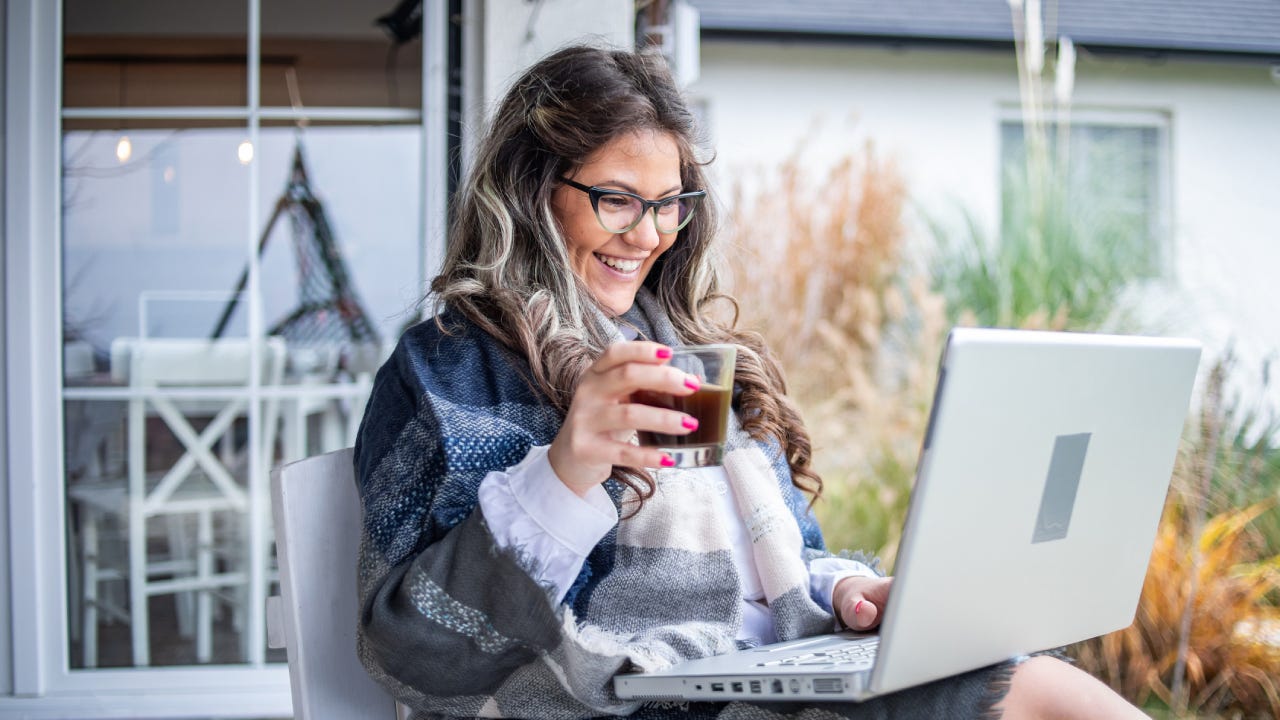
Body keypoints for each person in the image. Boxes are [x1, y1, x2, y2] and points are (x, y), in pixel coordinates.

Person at [354, 44, 1147, 720]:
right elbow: (417, 655)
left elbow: (786, 562)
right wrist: (567, 470)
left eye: (670, 206)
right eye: (618, 200)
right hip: (630, 699)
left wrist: (849, 593)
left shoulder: (684, 350)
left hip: (764, 675)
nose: (651, 235)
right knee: (1029, 694)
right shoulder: (450, 368)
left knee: (1025, 675)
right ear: (532, 195)